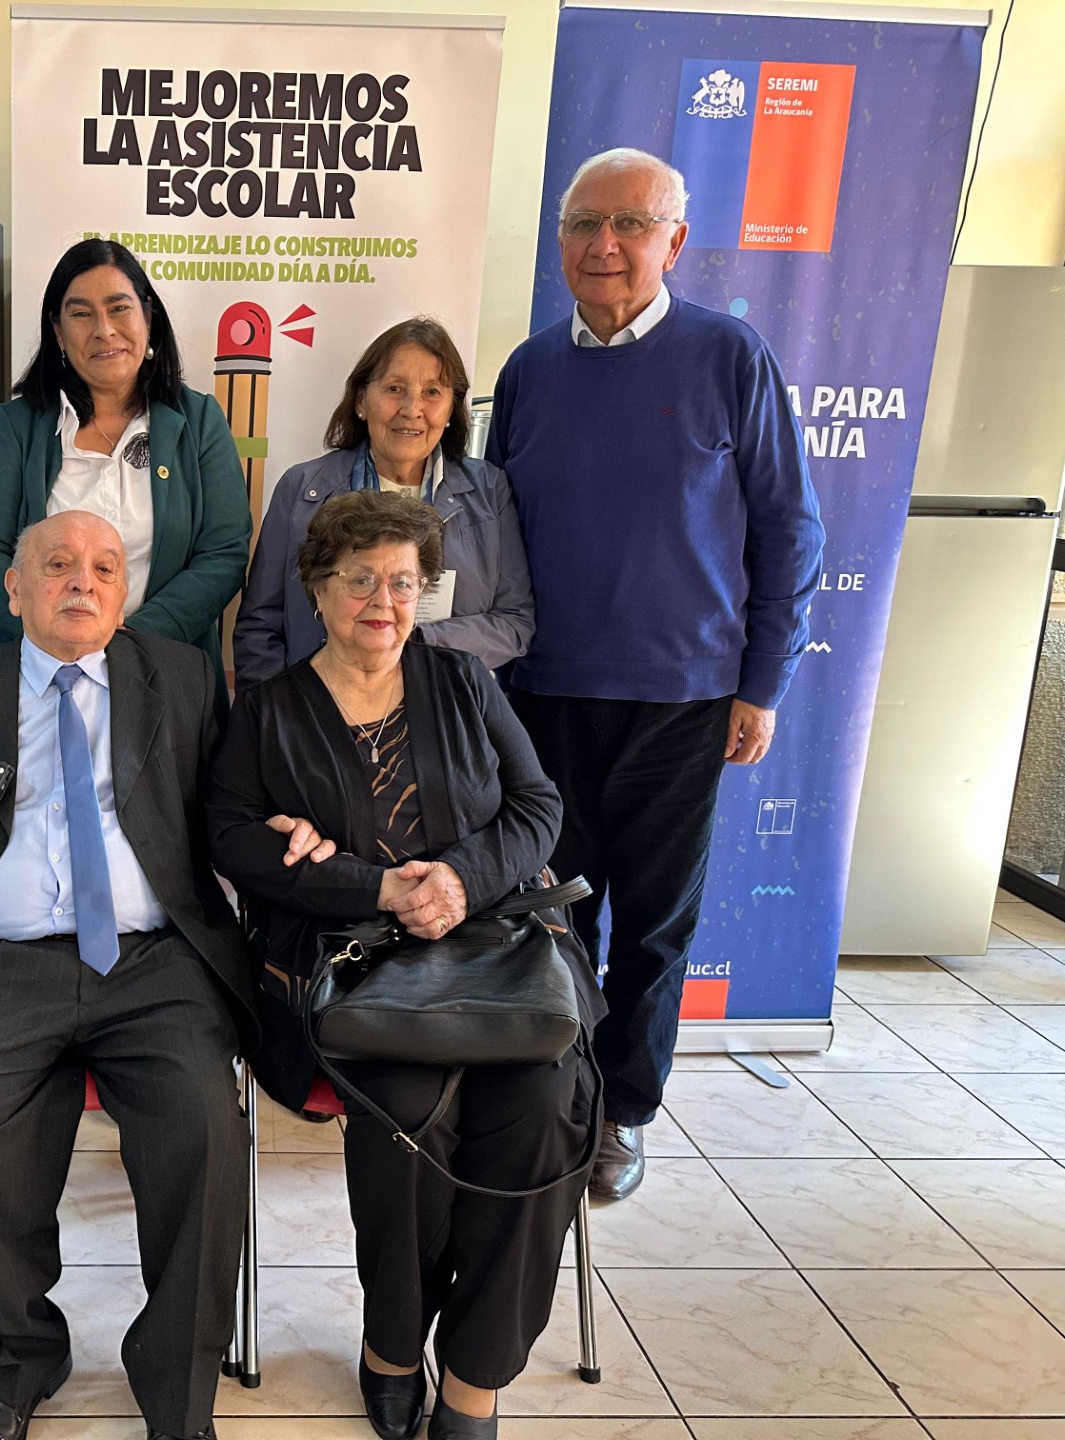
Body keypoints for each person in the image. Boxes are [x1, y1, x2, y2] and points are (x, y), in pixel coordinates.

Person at [0, 511, 254, 1440]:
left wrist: (288, 832)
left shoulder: (183, 678)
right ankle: (14, 1360)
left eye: (104, 568)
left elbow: (232, 807)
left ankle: (177, 1383)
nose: (83, 582)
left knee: (206, 1127)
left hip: (154, 963)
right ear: (14, 587)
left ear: (125, 593)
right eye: (60, 564)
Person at [208, 490, 601, 1440]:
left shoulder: (465, 682)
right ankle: (391, 1343)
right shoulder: (268, 710)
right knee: (409, 1117)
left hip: (495, 953)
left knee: (543, 1112)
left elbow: (538, 807)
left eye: (402, 582)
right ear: (317, 588)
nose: (381, 602)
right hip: (354, 976)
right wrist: (373, 887)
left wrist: (460, 879)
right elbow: (228, 836)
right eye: (359, 580)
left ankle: (474, 1377)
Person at [486, 147, 824, 1201]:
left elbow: (790, 528)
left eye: (631, 224)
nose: (605, 244)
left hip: (684, 703)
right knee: (549, 916)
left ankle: (622, 1113)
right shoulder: (529, 371)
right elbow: (492, 536)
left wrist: (761, 684)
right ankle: (549, 1095)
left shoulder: (730, 357)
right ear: (560, 242)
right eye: (585, 224)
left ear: (674, 242)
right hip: (543, 698)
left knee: (654, 926)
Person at [0, 238, 251, 672]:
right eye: (81, 314)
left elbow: (224, 552)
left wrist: (132, 642)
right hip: (38, 668)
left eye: (119, 308)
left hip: (166, 667)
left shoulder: (200, 421)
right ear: (58, 331)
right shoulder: (15, 427)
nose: (104, 330)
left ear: (148, 318)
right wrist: (52, 637)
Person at [232, 317, 531, 685]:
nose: (412, 409)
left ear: (452, 409)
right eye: (394, 389)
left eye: (432, 392)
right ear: (361, 401)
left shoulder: (490, 490)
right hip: (318, 705)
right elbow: (259, 626)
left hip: (442, 703)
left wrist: (417, 641)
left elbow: (515, 623)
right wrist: (276, 711)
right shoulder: (302, 488)